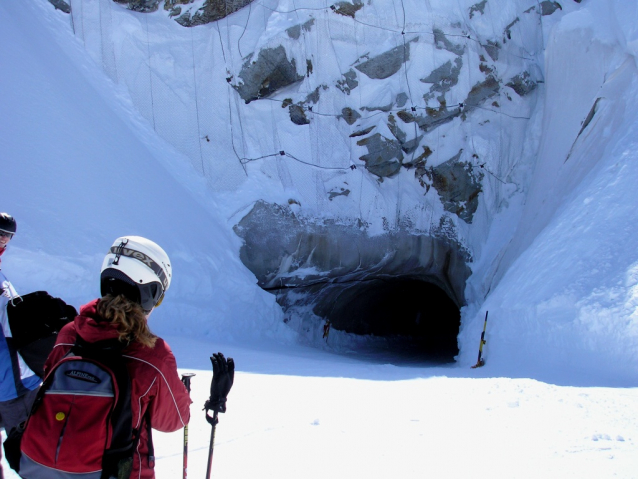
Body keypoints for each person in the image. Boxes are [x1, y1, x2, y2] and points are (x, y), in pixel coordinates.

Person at [43, 236, 192, 479]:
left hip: (53, 467)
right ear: (150, 292)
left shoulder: (70, 334)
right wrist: (183, 394)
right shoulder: (153, 354)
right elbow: (173, 420)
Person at [0, 213, 41, 476]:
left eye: (8, 236)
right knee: (32, 456)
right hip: (15, 386)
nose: (4, 240)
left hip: (14, 382)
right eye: (1, 233)